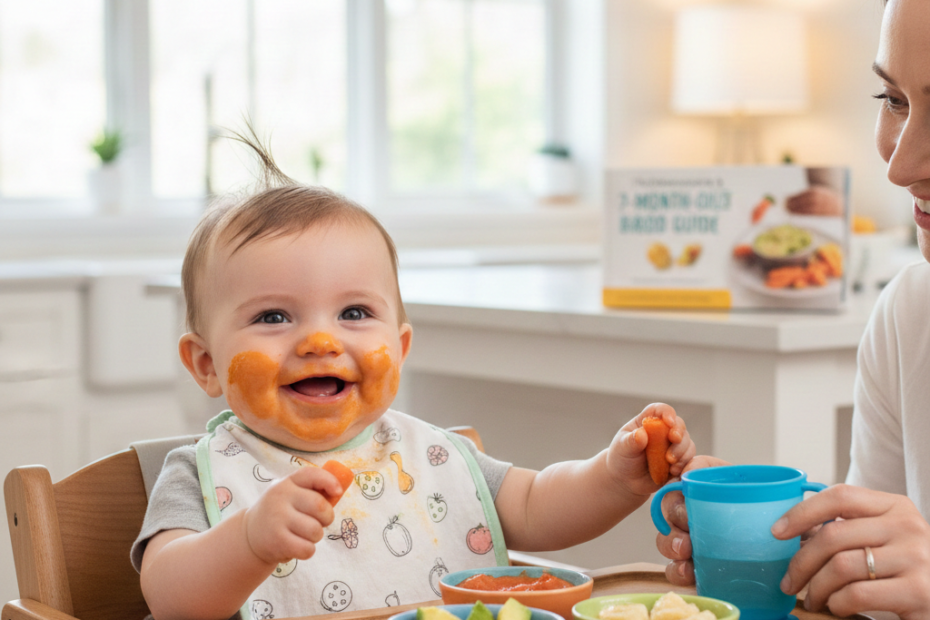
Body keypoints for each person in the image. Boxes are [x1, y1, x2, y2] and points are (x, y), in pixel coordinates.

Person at [133, 133, 697, 620]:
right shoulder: (198, 474)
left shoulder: (434, 456)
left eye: (354, 313)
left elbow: (537, 506)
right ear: (206, 365)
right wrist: (249, 540)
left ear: (399, 349)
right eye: (272, 317)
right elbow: (171, 596)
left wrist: (615, 477)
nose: (320, 341)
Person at [657, 0, 930, 617]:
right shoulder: (909, 317)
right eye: (893, 100)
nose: (899, 166)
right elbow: (888, 592)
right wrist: (789, 545)